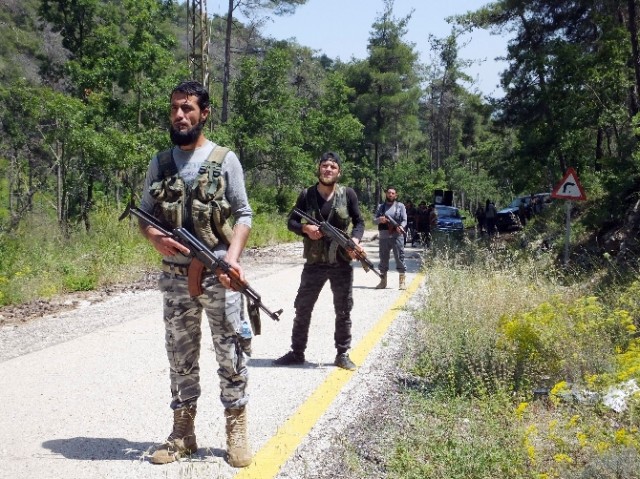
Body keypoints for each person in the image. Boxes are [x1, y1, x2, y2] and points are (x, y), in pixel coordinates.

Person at [138, 80, 253, 468]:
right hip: (174, 276)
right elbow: (145, 216)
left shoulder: (225, 159)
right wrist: (154, 237)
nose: (179, 115)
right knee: (180, 355)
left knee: (231, 351)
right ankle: (182, 432)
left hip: (218, 272)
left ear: (204, 113)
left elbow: (244, 214)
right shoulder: (161, 162)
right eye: (174, 108)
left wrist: (232, 258)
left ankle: (236, 428)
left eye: (187, 109)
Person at [272, 152, 365, 371]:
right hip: (314, 263)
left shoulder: (348, 194)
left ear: (338, 172)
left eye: (333, 166)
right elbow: (291, 221)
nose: (328, 169)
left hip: (341, 263)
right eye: (325, 166)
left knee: (343, 309)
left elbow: (359, 221)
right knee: (303, 308)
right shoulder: (307, 195)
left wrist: (354, 240)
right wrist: (306, 229)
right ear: (319, 169)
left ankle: (342, 353)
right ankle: (297, 352)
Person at [374, 187, 408, 290]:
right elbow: (374, 220)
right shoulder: (381, 207)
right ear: (386, 194)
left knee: (399, 257)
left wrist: (401, 226)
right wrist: (380, 220)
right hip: (384, 236)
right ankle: (383, 282)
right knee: (383, 258)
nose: (390, 195)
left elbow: (404, 220)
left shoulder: (400, 206)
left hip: (397, 236)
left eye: (393, 193)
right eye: (389, 193)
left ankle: (402, 282)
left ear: (396, 195)